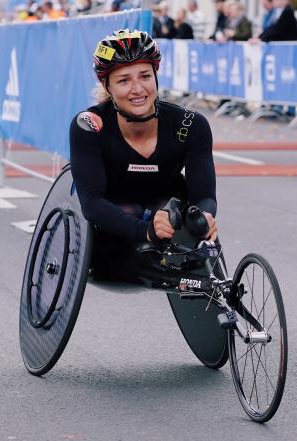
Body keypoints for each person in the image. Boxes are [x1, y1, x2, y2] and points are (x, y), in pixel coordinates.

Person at [70, 30, 218, 279]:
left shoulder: (191, 125)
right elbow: (92, 203)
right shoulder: (90, 125)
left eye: (145, 76)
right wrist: (146, 231)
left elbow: (204, 196)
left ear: (156, 77)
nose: (137, 89)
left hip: (166, 209)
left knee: (193, 221)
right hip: (114, 221)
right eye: (124, 80)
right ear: (107, 86)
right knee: (128, 213)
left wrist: (203, 215)